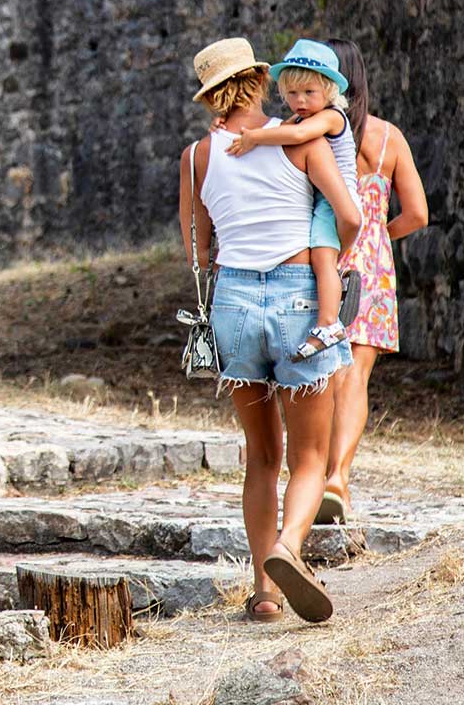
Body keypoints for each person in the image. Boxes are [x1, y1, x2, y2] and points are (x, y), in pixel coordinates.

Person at [179, 38, 362, 624]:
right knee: (309, 458)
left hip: (231, 303)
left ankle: (264, 591)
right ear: (261, 83)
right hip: (298, 299)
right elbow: (352, 216)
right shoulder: (302, 142)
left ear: (212, 95)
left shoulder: (195, 158)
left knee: (261, 456)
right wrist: (342, 254)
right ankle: (288, 547)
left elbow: (196, 244)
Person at [316, 38, 428, 525]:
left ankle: (315, 475)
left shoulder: (313, 135)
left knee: (323, 375)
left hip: (324, 256)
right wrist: (381, 232)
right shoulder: (388, 138)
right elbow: (419, 214)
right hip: (374, 262)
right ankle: (338, 477)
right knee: (356, 376)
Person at [225, 39, 360, 362]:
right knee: (321, 258)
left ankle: (329, 323)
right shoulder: (300, 119)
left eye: (309, 93)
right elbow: (281, 130)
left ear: (328, 91)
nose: (299, 101)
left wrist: (253, 137)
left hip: (334, 198)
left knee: (323, 260)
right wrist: (231, 126)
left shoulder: (331, 116)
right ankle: (329, 311)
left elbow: (295, 137)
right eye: (292, 94)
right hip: (321, 198)